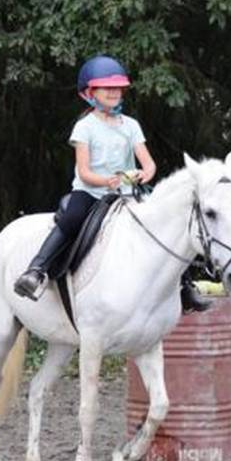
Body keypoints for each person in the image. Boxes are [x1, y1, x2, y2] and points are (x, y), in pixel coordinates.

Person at [14, 54, 209, 312]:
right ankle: (37, 270)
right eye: (108, 88)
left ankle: (185, 288)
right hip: (92, 192)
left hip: (127, 194)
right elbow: (84, 172)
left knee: (165, 223)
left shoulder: (131, 125)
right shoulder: (84, 127)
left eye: (118, 88)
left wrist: (143, 174)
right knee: (71, 219)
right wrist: (107, 180)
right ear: (90, 93)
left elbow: (149, 164)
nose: (115, 92)